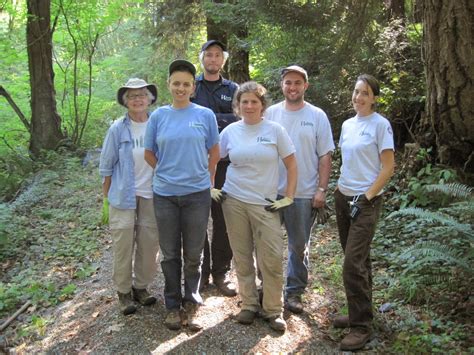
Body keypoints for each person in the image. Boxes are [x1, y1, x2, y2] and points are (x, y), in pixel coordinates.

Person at [144, 59, 220, 331]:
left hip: (197, 194)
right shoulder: (158, 117)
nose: (181, 88)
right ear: (169, 85)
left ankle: (192, 300)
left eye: (186, 84)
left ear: (193, 87)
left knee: (194, 253)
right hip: (164, 194)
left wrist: (207, 176)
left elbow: (214, 150)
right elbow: (148, 153)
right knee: (169, 254)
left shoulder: (204, 115)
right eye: (176, 83)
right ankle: (172, 305)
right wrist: (165, 171)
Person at [216, 81, 297, 332]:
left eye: (254, 101)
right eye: (244, 102)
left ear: (263, 105)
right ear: (237, 106)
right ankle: (249, 304)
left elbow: (292, 165)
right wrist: (211, 186)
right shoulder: (230, 131)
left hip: (265, 204)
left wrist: (288, 196)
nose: (249, 106)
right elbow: (212, 158)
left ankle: (273, 310)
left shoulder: (275, 130)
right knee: (242, 256)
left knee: (271, 257)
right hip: (234, 201)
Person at [265, 65, 335, 314]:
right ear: (282, 86)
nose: (292, 87)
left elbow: (325, 156)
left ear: (306, 85)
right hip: (271, 191)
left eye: (297, 83)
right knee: (267, 244)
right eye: (288, 83)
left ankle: (293, 293)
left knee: (298, 245)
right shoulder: (270, 113)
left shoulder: (317, 116)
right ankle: (267, 291)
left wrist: (322, 190)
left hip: (304, 193)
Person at [333, 74, 395, 351]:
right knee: (359, 261)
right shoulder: (347, 125)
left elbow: (388, 168)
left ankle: (361, 327)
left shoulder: (380, 125)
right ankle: (360, 312)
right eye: (357, 92)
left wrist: (366, 196)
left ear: (374, 98)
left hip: (366, 202)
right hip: (343, 197)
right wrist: (340, 189)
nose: (359, 97)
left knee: (351, 265)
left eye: (365, 93)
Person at [99, 78, 160, 315]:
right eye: (132, 96)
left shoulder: (158, 122)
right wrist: (106, 199)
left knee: (149, 244)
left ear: (150, 98)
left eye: (142, 95)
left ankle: (141, 287)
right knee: (123, 245)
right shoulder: (117, 128)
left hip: (152, 193)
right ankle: (123, 293)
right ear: (126, 101)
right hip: (123, 195)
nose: (138, 99)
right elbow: (106, 166)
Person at [191, 39, 239, 297]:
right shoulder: (192, 87)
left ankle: (221, 272)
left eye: (217, 55)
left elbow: (241, 117)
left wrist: (210, 118)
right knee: (198, 219)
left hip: (224, 165)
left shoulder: (232, 89)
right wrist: (221, 119)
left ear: (223, 60)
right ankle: (202, 274)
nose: (212, 59)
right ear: (202, 59)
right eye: (208, 55)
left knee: (223, 220)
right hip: (196, 165)